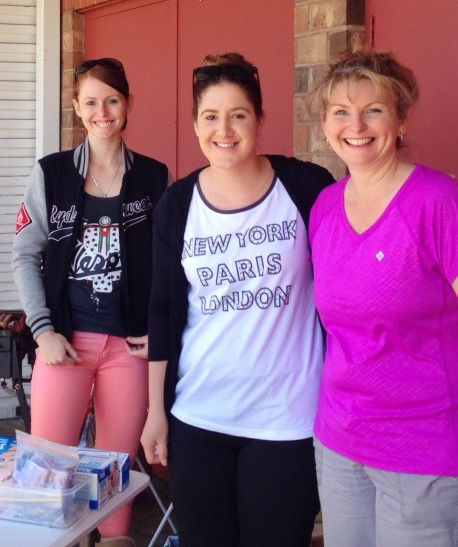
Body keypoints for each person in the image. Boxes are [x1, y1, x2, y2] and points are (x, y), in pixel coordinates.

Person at [308, 50, 458, 546]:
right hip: (342, 446)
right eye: (341, 112)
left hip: (433, 457)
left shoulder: (441, 204)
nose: (356, 125)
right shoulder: (325, 206)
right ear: (325, 123)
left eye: (374, 110)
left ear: (401, 119)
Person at [141, 53, 334, 546]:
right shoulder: (178, 204)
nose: (223, 129)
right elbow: (162, 312)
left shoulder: (306, 188)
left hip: (288, 423)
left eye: (238, 115)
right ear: (194, 123)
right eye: (210, 116)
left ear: (260, 119)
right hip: (199, 416)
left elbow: (363, 229)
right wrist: (155, 412)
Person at [11, 57, 171, 545]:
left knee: (113, 477)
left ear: (127, 105)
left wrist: (156, 330)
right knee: (44, 475)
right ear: (78, 109)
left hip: (129, 350)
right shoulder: (52, 174)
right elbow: (24, 254)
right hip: (65, 344)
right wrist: (42, 331)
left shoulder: (154, 177)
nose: (103, 111)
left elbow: (168, 264)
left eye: (113, 100)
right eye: (91, 102)